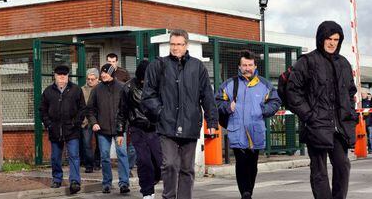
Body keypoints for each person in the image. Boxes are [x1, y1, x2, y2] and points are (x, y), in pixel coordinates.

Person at [142, 29, 218, 199]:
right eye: (173, 44)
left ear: (186, 45)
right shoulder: (158, 65)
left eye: (179, 44)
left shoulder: (198, 67)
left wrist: (212, 122)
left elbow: (207, 96)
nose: (175, 48)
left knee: (187, 169)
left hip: (190, 123)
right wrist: (160, 112)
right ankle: (169, 196)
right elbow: (148, 95)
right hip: (166, 124)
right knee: (169, 164)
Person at [286, 21, 357, 199]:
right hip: (316, 125)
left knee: (342, 166)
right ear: (320, 39)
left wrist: (350, 114)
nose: (332, 43)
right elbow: (293, 92)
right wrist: (308, 115)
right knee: (319, 171)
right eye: (328, 38)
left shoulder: (344, 63)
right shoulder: (307, 62)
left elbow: (350, 92)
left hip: (339, 127)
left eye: (336, 39)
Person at [215, 50, 281, 199]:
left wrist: (263, 110)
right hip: (237, 129)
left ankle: (248, 191)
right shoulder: (230, 84)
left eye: (250, 65)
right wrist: (227, 107)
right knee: (241, 162)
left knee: (252, 164)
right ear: (239, 66)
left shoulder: (264, 84)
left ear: (255, 65)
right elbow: (217, 101)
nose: (247, 68)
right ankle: (245, 193)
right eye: (244, 65)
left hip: (256, 130)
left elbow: (275, 101)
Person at [116, 60, 162, 199]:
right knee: (144, 161)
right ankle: (147, 191)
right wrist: (120, 132)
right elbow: (122, 111)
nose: (144, 82)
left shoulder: (159, 86)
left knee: (160, 162)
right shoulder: (128, 87)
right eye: (142, 79)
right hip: (137, 128)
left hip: (156, 129)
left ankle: (154, 178)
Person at [39, 65, 85, 195]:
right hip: (55, 130)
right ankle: (57, 178)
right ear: (55, 76)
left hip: (72, 130)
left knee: (74, 156)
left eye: (64, 75)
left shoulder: (76, 90)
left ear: (68, 76)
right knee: (55, 157)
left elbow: (82, 108)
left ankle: (75, 181)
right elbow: (42, 110)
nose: (62, 77)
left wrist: (77, 123)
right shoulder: (48, 91)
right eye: (59, 75)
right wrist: (48, 124)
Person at [87, 63, 130, 194]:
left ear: (112, 73)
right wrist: (94, 122)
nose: (103, 75)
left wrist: (124, 127)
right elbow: (90, 109)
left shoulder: (122, 88)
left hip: (119, 130)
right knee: (104, 156)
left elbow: (128, 109)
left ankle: (124, 183)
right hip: (102, 130)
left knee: (122, 154)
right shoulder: (96, 89)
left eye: (106, 72)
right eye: (102, 72)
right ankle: (106, 183)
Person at [106, 53, 136, 175]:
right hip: (109, 112)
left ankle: (127, 168)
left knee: (128, 144)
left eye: (113, 61)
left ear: (117, 62)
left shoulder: (123, 73)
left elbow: (129, 89)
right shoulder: (104, 72)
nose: (111, 64)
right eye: (109, 61)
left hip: (124, 112)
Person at [80, 68, 100, 173]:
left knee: (100, 144)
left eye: (93, 79)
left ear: (97, 79)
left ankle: (97, 162)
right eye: (88, 79)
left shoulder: (102, 88)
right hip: (86, 121)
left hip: (99, 120)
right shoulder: (82, 90)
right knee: (87, 144)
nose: (90, 81)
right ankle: (89, 165)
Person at [361, 88, 372, 153]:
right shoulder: (360, 103)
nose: (363, 95)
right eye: (362, 94)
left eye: (364, 93)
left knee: (370, 136)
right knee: (363, 137)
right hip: (362, 122)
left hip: (370, 122)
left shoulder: (370, 102)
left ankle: (370, 149)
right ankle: (363, 149)